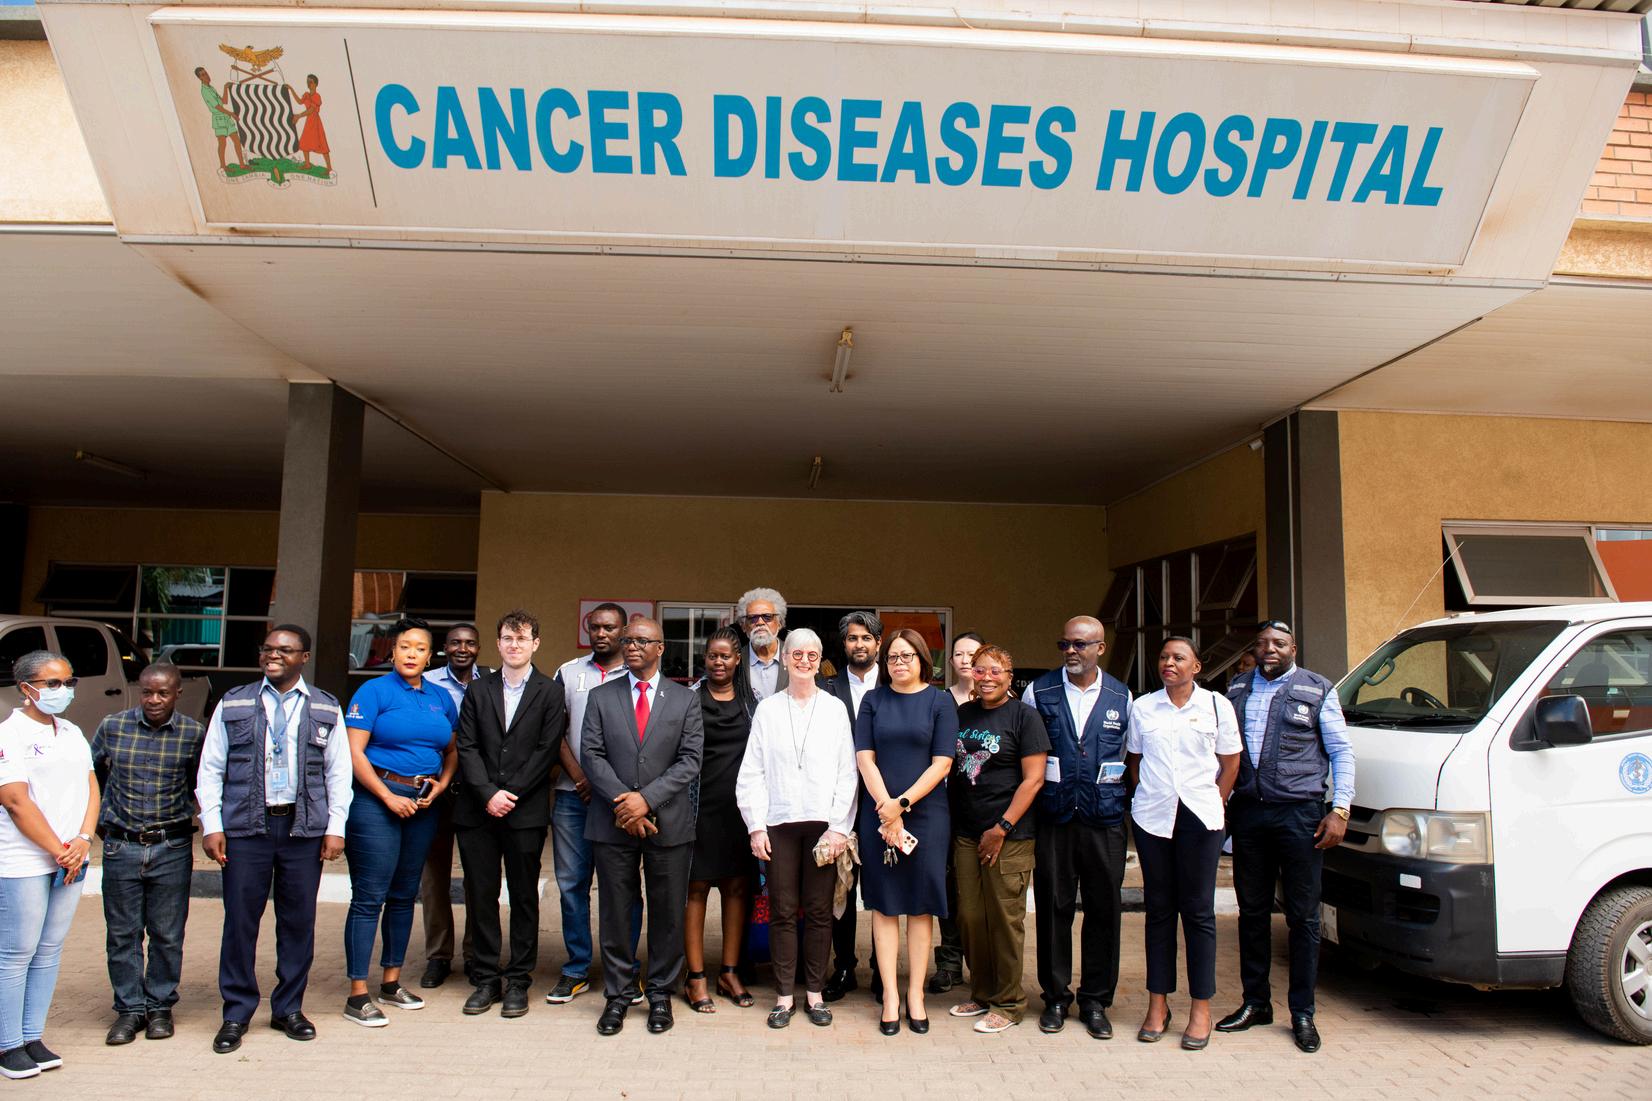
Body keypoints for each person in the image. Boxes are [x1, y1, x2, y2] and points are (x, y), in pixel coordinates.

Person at [196, 625, 353, 1055]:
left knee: (298, 922)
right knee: (240, 922)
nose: (273, 655)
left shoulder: (325, 706)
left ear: (304, 657)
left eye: (285, 650)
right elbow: (211, 767)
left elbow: (339, 771)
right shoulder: (234, 702)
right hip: (247, 828)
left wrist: (335, 827)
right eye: (268, 649)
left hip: (303, 829)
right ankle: (236, 1012)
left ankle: (288, 1008)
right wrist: (212, 824)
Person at [1216, 620, 1356, 1054]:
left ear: (1293, 647)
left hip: (1301, 815)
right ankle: (1256, 1002)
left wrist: (1340, 809)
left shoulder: (1317, 689)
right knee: (1252, 912)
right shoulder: (1237, 690)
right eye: (1262, 643)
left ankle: (1302, 1012)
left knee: (1303, 917)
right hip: (1249, 814)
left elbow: (1341, 751)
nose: (1269, 649)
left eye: (1278, 643)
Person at [581, 618, 704, 1037]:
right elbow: (591, 754)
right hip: (612, 821)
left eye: (641, 640)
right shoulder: (601, 696)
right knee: (616, 911)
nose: (631, 646)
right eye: (628, 640)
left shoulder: (685, 699)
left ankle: (660, 994)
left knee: (667, 913)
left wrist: (646, 800)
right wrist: (625, 804)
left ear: (660, 648)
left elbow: (690, 759)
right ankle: (617, 995)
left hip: (668, 823)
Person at [340, 618, 458, 1027]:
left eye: (420, 648)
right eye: (405, 646)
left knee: (405, 894)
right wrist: (388, 796)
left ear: (430, 656)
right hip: (376, 801)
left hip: (423, 804)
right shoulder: (373, 692)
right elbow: (354, 752)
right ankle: (358, 993)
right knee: (369, 896)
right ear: (392, 651)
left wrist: (442, 785)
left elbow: (452, 749)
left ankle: (391, 982)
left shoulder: (441, 697)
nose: (411, 654)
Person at [736, 629, 856, 1029]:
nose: (804, 661)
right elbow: (752, 771)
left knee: (820, 912)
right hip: (779, 824)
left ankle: (815, 994)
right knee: (783, 911)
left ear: (820, 661)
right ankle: (784, 996)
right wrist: (756, 826)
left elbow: (847, 772)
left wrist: (839, 828)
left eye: (812, 655)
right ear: (785, 659)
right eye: (797, 654)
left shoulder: (834, 709)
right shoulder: (768, 710)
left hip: (823, 826)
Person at [1127, 637, 1241, 1050]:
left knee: (1198, 912)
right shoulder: (1144, 707)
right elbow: (1135, 761)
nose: (1169, 663)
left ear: (1197, 666)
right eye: (1164, 657)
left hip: (1201, 818)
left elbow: (1230, 762)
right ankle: (1157, 1005)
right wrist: (1149, 795)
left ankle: (1200, 1009)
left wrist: (1217, 800)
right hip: (1153, 817)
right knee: (1159, 911)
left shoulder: (1216, 706)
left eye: (1179, 658)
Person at [1023, 615, 1133, 1039]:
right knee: (1054, 908)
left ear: (1100, 648)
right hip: (1054, 818)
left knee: (1104, 910)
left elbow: (1130, 756)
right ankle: (1055, 997)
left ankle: (1095, 1001)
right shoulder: (1039, 691)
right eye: (1065, 644)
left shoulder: (1122, 696)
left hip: (1104, 820)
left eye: (1080, 644)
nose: (1071, 651)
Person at [454, 610, 567, 1019]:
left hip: (524, 811)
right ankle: (486, 978)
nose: (514, 645)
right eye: (507, 638)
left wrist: (511, 793)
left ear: (535, 643)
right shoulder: (477, 690)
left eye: (521, 638)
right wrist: (488, 794)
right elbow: (466, 746)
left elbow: (546, 750)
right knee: (481, 895)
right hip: (478, 811)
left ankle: (519, 979)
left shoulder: (550, 692)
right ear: (498, 643)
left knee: (523, 896)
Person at [91, 663, 206, 1046]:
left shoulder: (192, 733)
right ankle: (129, 1010)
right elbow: (90, 773)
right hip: (121, 845)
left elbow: (199, 783)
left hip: (171, 846)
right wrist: (98, 819)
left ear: (177, 694)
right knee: (122, 935)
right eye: (147, 692)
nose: (154, 700)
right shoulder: (113, 726)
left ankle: (159, 1007)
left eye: (163, 693)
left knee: (167, 934)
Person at [0, 651, 97, 1080]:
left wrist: (83, 839)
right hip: (24, 860)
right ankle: (7, 1044)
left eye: (68, 682)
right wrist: (60, 850)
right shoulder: (9, 734)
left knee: (48, 950)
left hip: (72, 856)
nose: (63, 690)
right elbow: (15, 800)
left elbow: (92, 787)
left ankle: (31, 1036)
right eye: (52, 683)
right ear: (27, 688)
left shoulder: (72, 731)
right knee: (15, 953)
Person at [854, 629, 956, 1035]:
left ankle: (916, 995)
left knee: (919, 906)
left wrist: (902, 805)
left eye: (907, 656)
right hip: (878, 815)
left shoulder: (940, 701)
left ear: (922, 660)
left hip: (926, 815)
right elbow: (865, 758)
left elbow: (942, 763)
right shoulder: (873, 700)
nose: (899, 663)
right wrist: (886, 808)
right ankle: (890, 997)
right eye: (893, 657)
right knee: (884, 906)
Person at [947, 646, 1048, 1034]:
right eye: (979, 670)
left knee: (1005, 920)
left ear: (1009, 675)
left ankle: (1008, 1003)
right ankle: (983, 992)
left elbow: (1033, 779)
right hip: (967, 833)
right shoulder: (963, 714)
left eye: (995, 671)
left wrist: (1001, 827)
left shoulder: (1025, 716)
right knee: (971, 917)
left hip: (1009, 836)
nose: (986, 677)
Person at [547, 603, 640, 1005]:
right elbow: (555, 731)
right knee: (572, 884)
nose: (602, 634)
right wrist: (581, 778)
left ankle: (626, 968)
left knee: (623, 887)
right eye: (595, 627)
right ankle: (576, 968)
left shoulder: (637, 672)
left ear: (624, 631)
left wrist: (612, 788)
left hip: (620, 801)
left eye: (610, 628)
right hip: (574, 796)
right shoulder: (568, 673)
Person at [683, 627, 757, 1013]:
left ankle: (729, 973)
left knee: (736, 889)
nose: (718, 662)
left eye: (725, 655)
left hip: (739, 812)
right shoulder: (688, 700)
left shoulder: (752, 704)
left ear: (737, 659)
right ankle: (695, 977)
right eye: (712, 655)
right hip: (697, 809)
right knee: (695, 890)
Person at [417, 623, 485, 989]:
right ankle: (438, 956)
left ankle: (475, 953)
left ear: (478, 648)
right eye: (456, 642)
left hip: (476, 793)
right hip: (435, 791)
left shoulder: (492, 681)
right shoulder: (426, 683)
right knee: (434, 877)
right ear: (444, 647)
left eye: (469, 643)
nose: (462, 648)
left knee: (478, 875)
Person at [822, 611, 881, 1002]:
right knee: (839, 890)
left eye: (866, 638)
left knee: (881, 889)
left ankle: (881, 968)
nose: (859, 644)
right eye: (852, 638)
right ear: (843, 644)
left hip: (881, 804)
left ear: (878, 643)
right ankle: (844, 965)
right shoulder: (826, 688)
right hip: (838, 804)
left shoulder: (895, 684)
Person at [931, 629, 984, 995]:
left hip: (987, 809)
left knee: (981, 892)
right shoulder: (940, 701)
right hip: (947, 807)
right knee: (949, 887)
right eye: (960, 654)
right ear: (950, 661)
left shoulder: (1002, 699)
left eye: (973, 654)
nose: (966, 660)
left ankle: (983, 964)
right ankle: (949, 963)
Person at [736, 587, 788, 700]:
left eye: (767, 617)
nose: (760, 622)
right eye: (752, 618)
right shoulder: (735, 660)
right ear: (743, 626)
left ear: (779, 623)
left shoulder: (795, 655)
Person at [194, 66, 248, 172]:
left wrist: (225, 87)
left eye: (206, 73)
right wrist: (231, 114)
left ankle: (242, 165)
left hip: (226, 117)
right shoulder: (205, 91)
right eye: (203, 75)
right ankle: (223, 166)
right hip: (219, 119)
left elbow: (224, 101)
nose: (206, 76)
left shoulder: (211, 88)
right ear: (200, 78)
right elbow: (217, 107)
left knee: (237, 141)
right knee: (222, 144)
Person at [282, 74, 331, 174]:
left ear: (315, 84)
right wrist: (291, 89)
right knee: (304, 142)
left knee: (321, 143)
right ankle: (307, 164)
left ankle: (329, 167)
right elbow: (299, 102)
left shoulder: (317, 96)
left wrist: (299, 116)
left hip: (315, 122)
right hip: (309, 121)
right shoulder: (306, 95)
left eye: (311, 82)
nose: (309, 84)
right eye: (308, 82)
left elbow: (311, 110)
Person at [946, 632, 985, 708]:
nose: (964, 661)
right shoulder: (940, 698)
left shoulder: (999, 697)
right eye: (958, 654)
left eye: (971, 654)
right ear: (952, 661)